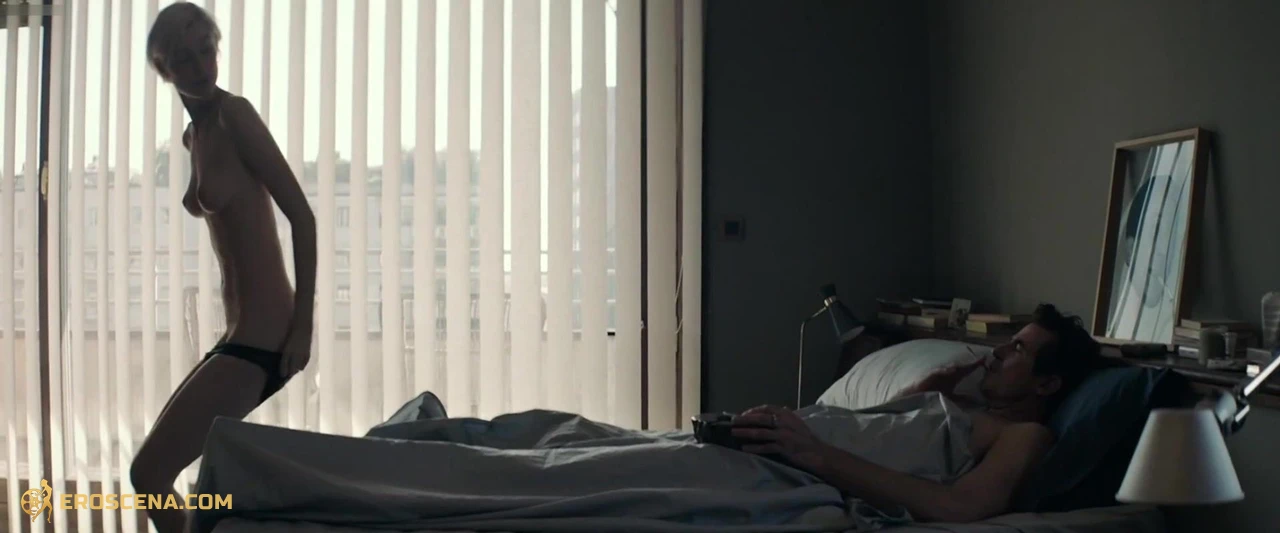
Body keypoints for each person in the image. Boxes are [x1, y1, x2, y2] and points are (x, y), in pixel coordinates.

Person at [132, 3, 317, 532]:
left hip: (266, 336)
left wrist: (302, 327)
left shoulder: (235, 115)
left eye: (205, 51)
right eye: (182, 59)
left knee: (149, 474)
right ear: (163, 69)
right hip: (236, 336)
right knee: (166, 478)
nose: (199, 67)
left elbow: (302, 217)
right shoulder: (195, 136)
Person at [731, 303, 1100, 523]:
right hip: (788, 442)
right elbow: (879, 429)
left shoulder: (1024, 435)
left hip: (800, 463)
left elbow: (958, 506)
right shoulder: (964, 405)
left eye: (1018, 348)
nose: (998, 351)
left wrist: (815, 453)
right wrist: (924, 390)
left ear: (1047, 384)